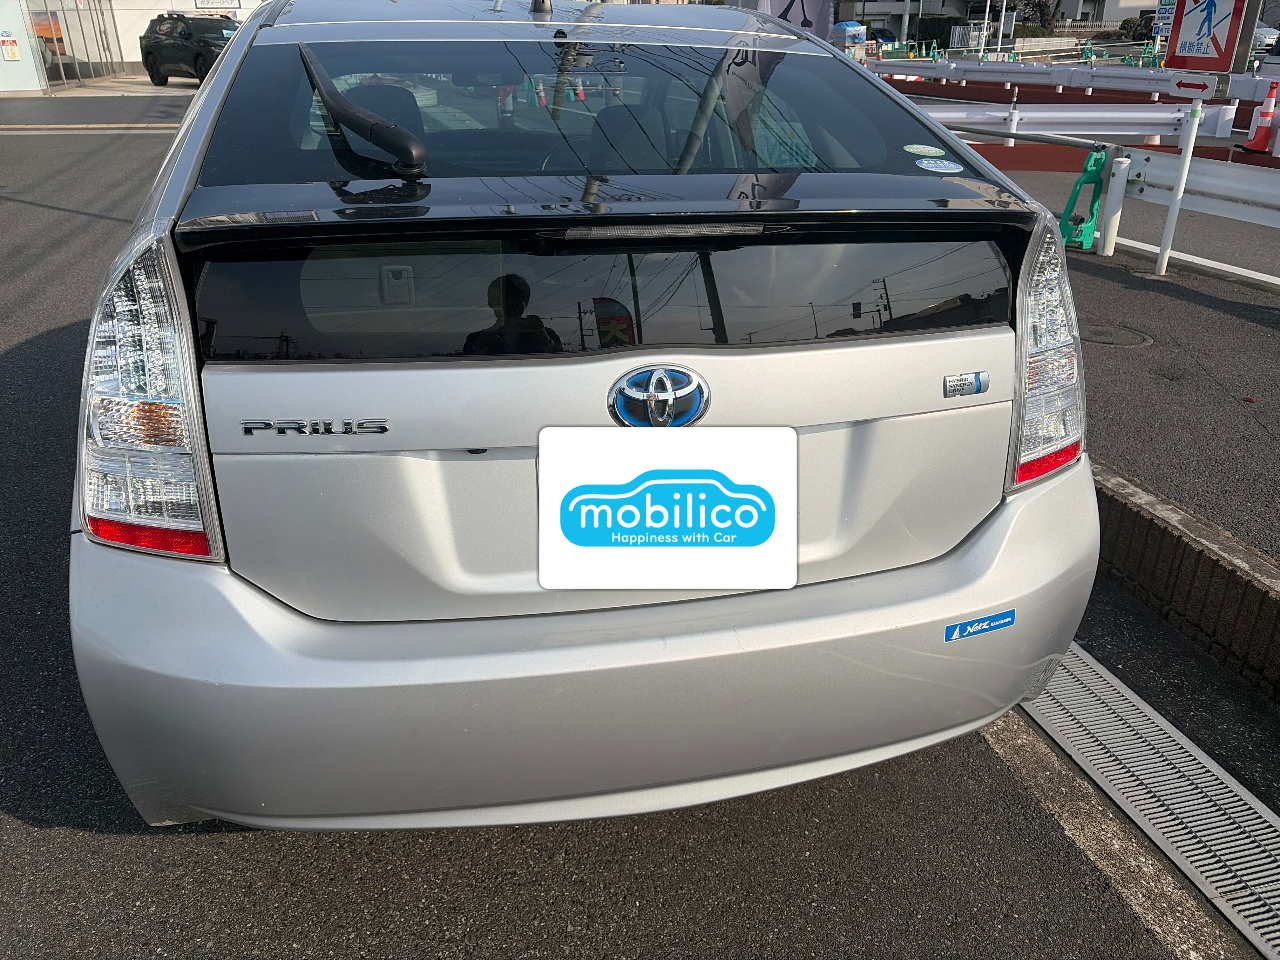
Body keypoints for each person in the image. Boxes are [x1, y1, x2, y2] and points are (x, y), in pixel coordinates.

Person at [463, 274, 564, 356]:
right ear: (491, 303)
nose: (509, 306)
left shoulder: (546, 335)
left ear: (525, 303)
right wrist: (480, 344)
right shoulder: (475, 340)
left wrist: (544, 339)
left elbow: (560, 360)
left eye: (515, 301)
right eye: (503, 301)